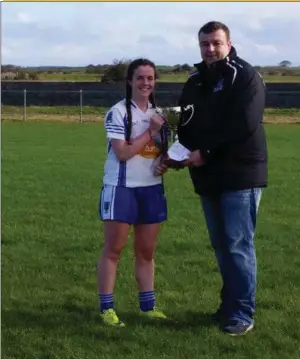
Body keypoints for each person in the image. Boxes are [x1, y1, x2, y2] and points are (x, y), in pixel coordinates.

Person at [176, 21, 268, 336]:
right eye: (205, 44)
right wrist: (175, 152)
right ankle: (228, 306)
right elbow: (185, 124)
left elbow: (244, 124)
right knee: (221, 246)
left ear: (229, 43)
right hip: (208, 174)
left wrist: (206, 152)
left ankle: (242, 313)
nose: (210, 49)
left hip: (241, 173)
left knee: (239, 244)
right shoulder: (194, 80)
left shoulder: (245, 77)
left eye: (216, 43)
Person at [97, 58, 170, 327]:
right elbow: (123, 153)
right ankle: (107, 308)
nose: (145, 83)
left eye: (150, 78)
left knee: (147, 252)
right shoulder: (118, 112)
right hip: (121, 189)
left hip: (150, 190)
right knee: (114, 249)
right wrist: (151, 132)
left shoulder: (159, 114)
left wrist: (164, 163)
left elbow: (161, 152)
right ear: (130, 81)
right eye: (140, 78)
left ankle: (147, 307)